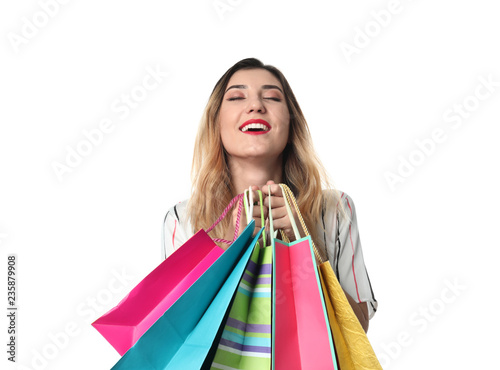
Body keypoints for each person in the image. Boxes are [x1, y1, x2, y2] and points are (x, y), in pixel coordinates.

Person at [162, 58, 377, 332]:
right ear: (216, 123)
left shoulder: (335, 210)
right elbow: (176, 335)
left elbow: (358, 330)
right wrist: (234, 250)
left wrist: (306, 245)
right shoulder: (183, 219)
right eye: (237, 97)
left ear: (291, 123)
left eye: (272, 97)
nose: (255, 106)